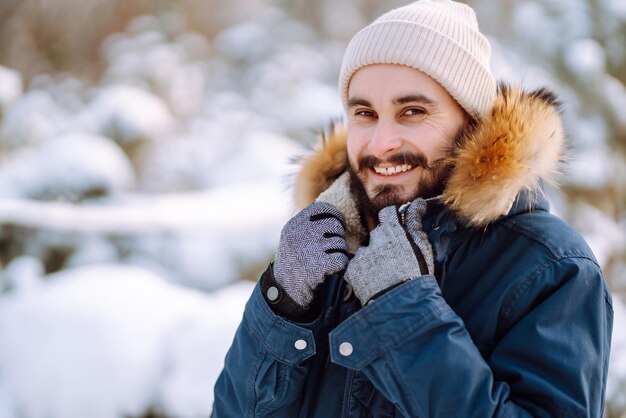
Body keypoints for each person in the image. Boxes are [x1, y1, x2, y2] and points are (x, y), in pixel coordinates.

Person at [212, 0, 613, 416]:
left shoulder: (549, 268)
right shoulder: (325, 250)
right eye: (365, 113)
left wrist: (402, 309)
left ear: (471, 123)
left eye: (412, 112)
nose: (382, 142)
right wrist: (282, 308)